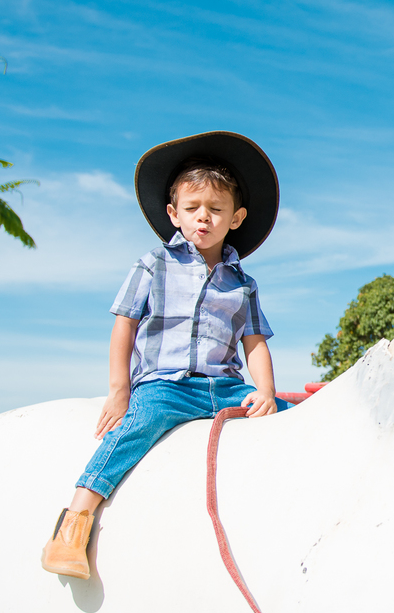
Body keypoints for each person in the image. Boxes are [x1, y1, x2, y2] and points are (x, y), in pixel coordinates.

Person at [40, 131, 283, 579]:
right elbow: (124, 325)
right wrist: (119, 391)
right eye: (192, 209)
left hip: (225, 386)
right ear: (174, 214)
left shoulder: (242, 283)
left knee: (289, 416)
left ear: (237, 217)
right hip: (166, 384)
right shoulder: (153, 264)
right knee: (138, 426)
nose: (203, 219)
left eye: (216, 209)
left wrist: (265, 391)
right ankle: (73, 525)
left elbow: (254, 341)